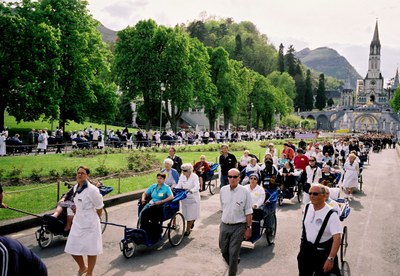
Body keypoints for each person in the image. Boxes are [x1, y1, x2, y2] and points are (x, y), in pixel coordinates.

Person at [64, 166, 104, 276]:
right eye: (78, 173)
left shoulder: (92, 190)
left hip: (91, 223)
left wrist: (97, 218)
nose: (80, 175)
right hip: (78, 222)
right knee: (71, 247)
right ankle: (82, 267)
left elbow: (99, 206)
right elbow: (75, 201)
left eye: (82, 173)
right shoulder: (76, 187)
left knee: (91, 250)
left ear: (87, 175)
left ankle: (89, 273)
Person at [297, 184, 342, 276]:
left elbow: (337, 238)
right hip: (306, 250)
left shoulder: (331, 214)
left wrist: (330, 259)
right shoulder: (307, 207)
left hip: (322, 253)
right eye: (310, 193)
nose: (311, 196)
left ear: (324, 196)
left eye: (315, 194)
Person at [219, 168, 252, 276]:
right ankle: (234, 263)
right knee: (224, 251)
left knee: (233, 253)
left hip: (239, 226)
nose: (232, 179)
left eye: (234, 177)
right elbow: (223, 207)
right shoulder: (223, 190)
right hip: (224, 225)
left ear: (239, 178)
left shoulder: (245, 192)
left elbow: (248, 211)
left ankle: (232, 272)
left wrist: (248, 228)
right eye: (230, 177)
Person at [139, 173, 174, 244]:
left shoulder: (166, 187)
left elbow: (171, 197)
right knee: (143, 215)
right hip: (151, 204)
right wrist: (143, 199)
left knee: (153, 218)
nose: (159, 180)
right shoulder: (153, 186)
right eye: (158, 178)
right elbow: (145, 193)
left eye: (161, 178)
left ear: (164, 180)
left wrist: (161, 201)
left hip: (160, 206)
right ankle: (144, 232)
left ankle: (154, 234)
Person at [175, 163, 201, 236]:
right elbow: (179, 185)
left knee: (191, 215)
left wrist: (191, 190)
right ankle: (191, 223)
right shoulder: (182, 176)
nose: (183, 172)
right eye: (182, 170)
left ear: (189, 171)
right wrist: (175, 189)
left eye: (185, 170)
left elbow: (197, 187)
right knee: (186, 215)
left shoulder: (194, 176)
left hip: (193, 198)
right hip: (185, 199)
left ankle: (187, 230)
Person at [244, 174, 265, 240]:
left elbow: (261, 199)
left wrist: (256, 205)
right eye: (251, 178)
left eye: (254, 179)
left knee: (252, 218)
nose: (252, 180)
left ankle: (252, 234)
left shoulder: (260, 189)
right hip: (245, 208)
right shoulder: (244, 188)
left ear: (257, 180)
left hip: (255, 209)